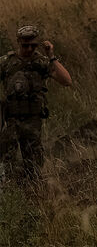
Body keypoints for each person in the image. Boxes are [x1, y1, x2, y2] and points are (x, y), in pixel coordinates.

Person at [0, 25, 72, 183]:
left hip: (32, 122)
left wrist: (51, 56)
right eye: (25, 45)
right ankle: (9, 193)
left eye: (33, 45)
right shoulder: (7, 62)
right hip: (10, 121)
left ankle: (32, 193)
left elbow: (66, 81)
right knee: (6, 164)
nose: (29, 49)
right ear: (18, 42)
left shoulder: (41, 62)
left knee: (33, 168)